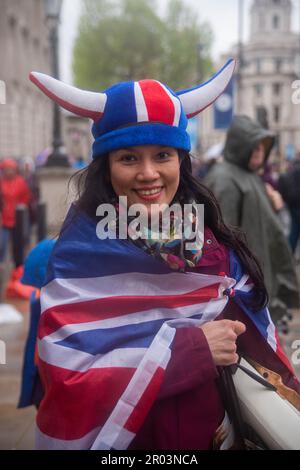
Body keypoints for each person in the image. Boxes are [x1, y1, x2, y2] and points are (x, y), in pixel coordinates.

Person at [30, 61, 300, 451]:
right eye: (128, 158)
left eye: (162, 155)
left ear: (181, 162)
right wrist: (193, 351)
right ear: (106, 167)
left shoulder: (212, 245)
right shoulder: (78, 257)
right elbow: (68, 378)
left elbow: (255, 335)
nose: (148, 174)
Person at [204, 115, 299, 325]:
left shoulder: (248, 176)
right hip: (242, 291)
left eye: (263, 146)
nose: (260, 151)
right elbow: (221, 243)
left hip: (259, 279)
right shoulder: (225, 179)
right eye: (254, 146)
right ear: (241, 146)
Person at [277, 156, 300, 254]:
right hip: (297, 204)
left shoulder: (293, 169)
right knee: (295, 229)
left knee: (294, 229)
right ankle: (289, 253)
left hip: (292, 203)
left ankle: (289, 253)